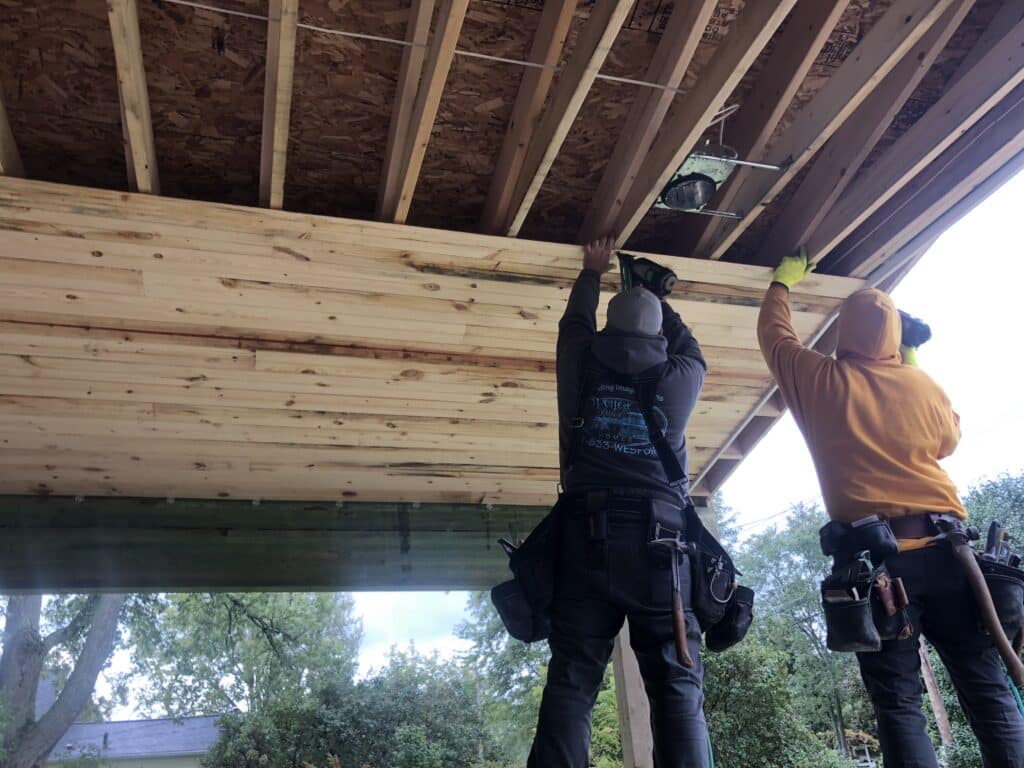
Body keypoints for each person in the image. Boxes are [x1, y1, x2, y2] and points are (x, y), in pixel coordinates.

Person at [757, 248, 1024, 767]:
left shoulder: (822, 382)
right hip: (953, 557)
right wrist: (911, 360)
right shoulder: (921, 386)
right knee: (987, 687)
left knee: (898, 701)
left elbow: (776, 338)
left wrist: (781, 285)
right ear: (895, 341)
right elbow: (948, 439)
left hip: (879, 568)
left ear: (841, 334)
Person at [528, 237, 708, 767]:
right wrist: (655, 294)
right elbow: (688, 344)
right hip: (661, 551)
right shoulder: (682, 376)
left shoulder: (580, 361)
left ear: (607, 328)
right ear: (658, 336)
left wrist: (592, 271)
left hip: (585, 541)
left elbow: (574, 325)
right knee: (676, 685)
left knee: (573, 681)